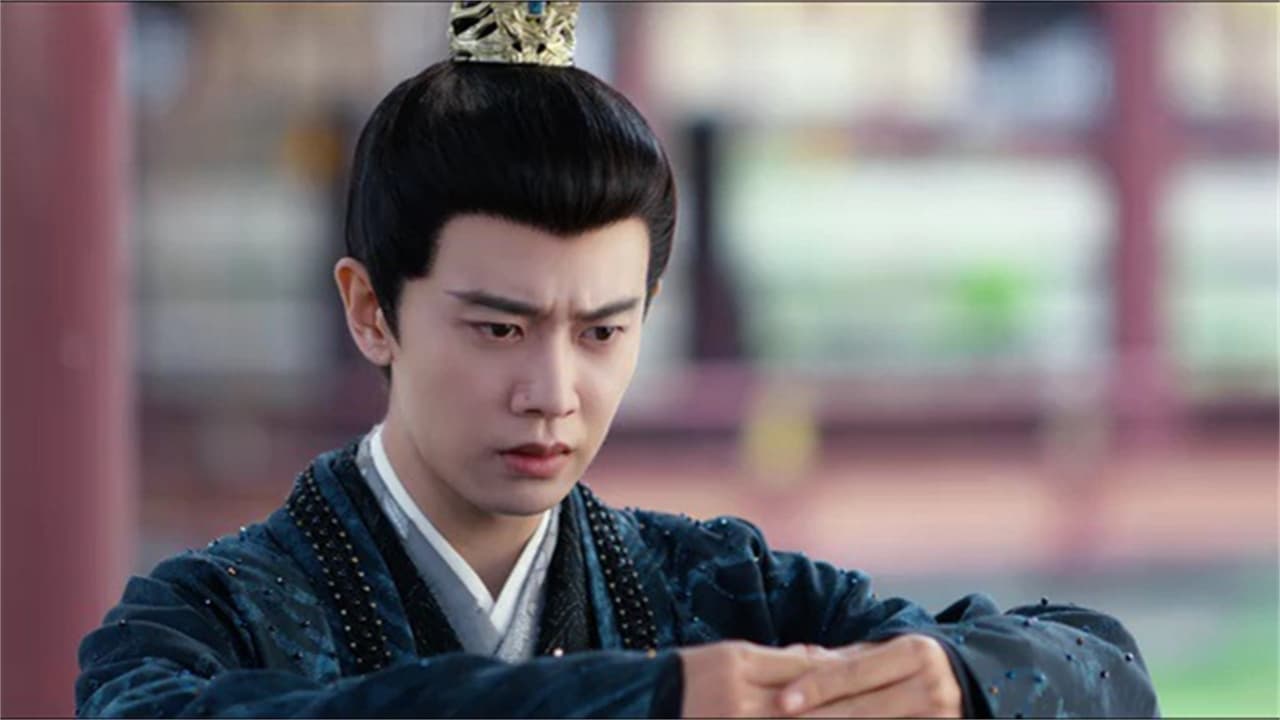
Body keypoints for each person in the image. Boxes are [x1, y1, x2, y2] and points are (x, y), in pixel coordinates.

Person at [76, 2, 1159, 717]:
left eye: (601, 331)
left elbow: (1101, 667)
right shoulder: (208, 617)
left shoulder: (714, 586)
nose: (553, 394)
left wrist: (954, 678)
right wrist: (647, 700)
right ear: (371, 311)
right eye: (498, 328)